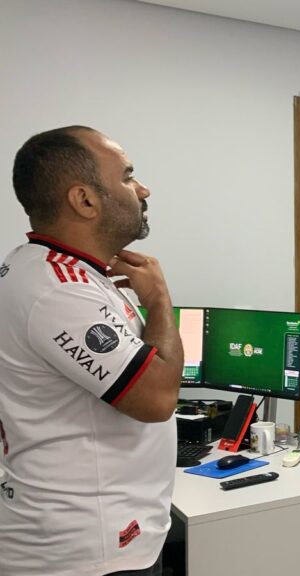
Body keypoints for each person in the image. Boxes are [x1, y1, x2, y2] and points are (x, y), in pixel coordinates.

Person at [0, 126, 184, 576]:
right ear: (84, 200)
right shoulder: (59, 291)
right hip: (87, 550)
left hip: (88, 531)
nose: (143, 190)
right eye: (128, 176)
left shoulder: (49, 270)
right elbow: (157, 399)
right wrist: (159, 300)